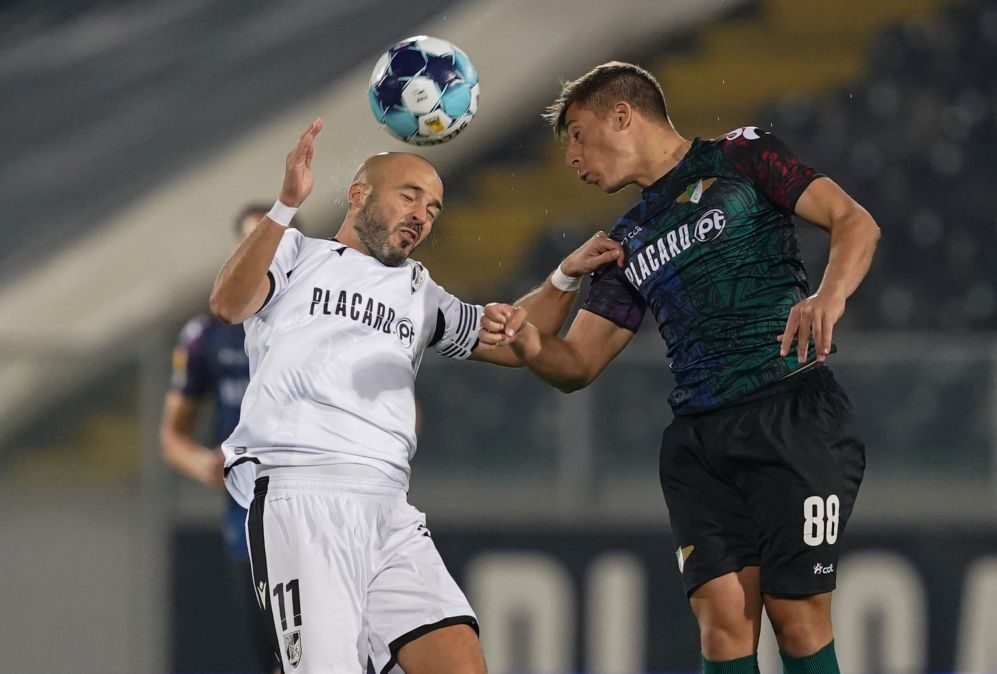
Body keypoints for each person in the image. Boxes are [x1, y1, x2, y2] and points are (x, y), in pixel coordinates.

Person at [480, 62, 880, 674]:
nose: (573, 160)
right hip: (699, 440)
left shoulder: (742, 158)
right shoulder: (627, 239)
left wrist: (828, 295)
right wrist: (533, 345)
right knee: (723, 624)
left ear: (622, 115)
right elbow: (580, 361)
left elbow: (855, 221)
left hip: (791, 411)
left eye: (579, 136)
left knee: (796, 616)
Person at [208, 118, 622, 673]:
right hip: (302, 493)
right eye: (410, 196)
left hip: (388, 507)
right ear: (359, 195)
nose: (421, 216)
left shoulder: (419, 290)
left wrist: (564, 278)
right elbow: (228, 305)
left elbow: (509, 338)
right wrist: (285, 207)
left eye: (432, 209)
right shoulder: (295, 254)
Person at [161, 204, 295, 674]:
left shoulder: (323, 323)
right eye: (254, 243)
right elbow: (173, 436)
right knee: (275, 658)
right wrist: (202, 464)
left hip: (321, 506)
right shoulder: (207, 338)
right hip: (249, 518)